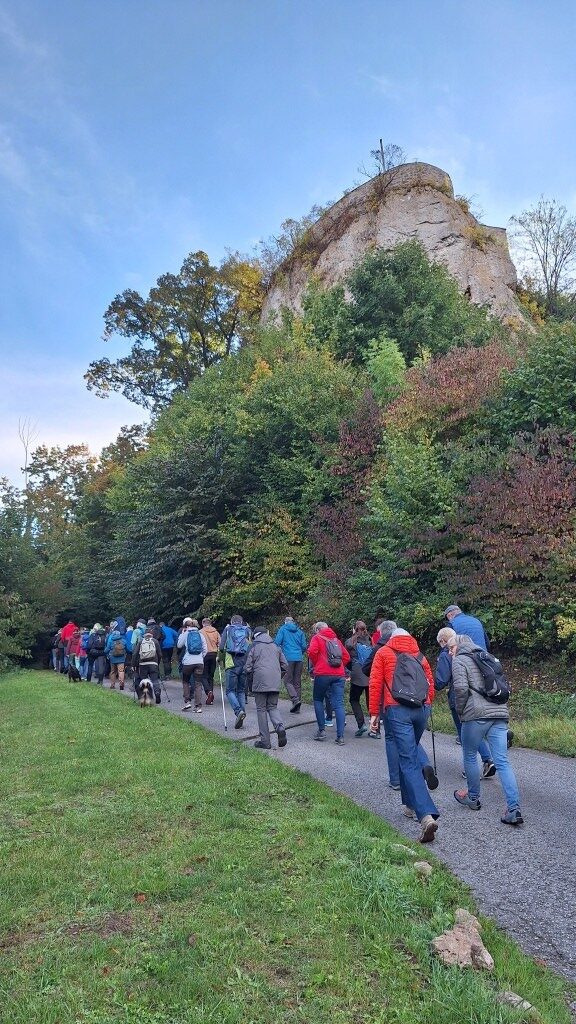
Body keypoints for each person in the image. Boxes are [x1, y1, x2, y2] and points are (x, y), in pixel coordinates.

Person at [369, 624, 439, 843]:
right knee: (408, 752)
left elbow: (375, 683)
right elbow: (430, 684)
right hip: (421, 709)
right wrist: (427, 705)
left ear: (391, 637)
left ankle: (425, 816)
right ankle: (409, 804)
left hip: (397, 709)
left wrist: (374, 713)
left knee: (408, 761)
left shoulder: (383, 652)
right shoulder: (419, 655)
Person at [449, 634, 523, 826]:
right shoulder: (487, 657)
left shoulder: (460, 660)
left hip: (476, 714)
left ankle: (473, 798)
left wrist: (461, 712)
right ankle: (513, 809)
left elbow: (460, 689)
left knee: (470, 755)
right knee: (502, 761)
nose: (449, 652)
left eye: (450, 648)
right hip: (499, 713)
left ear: (459, 646)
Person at [436, 627, 496, 778]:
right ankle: (487, 759)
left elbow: (442, 679)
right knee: (475, 732)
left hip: (459, 697)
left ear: (443, 641)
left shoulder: (446, 655)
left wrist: (431, 685)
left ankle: (471, 768)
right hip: (477, 697)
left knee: (464, 734)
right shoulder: (472, 652)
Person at [245, 626, 288, 749]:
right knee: (273, 707)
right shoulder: (276, 646)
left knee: (261, 710)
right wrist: (277, 676)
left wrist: (252, 679)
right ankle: (280, 727)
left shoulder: (254, 646)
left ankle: (265, 741)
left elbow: (247, 668)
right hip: (274, 681)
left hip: (260, 681)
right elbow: (285, 665)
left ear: (255, 635)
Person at [307, 622, 350, 745]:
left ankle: (321, 731)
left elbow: (311, 652)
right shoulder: (336, 640)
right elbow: (346, 657)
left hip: (322, 674)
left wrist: (318, 664)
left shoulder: (317, 638)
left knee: (318, 699)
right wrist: (338, 666)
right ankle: (340, 737)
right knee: (339, 704)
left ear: (318, 630)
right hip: (339, 675)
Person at [219, 615, 252, 729]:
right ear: (242, 622)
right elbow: (250, 646)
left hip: (231, 663)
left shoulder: (228, 629)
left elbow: (221, 647)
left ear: (232, 621)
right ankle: (241, 713)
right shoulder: (248, 630)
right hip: (244, 663)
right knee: (241, 691)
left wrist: (220, 658)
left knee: (230, 691)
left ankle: (238, 712)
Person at [274, 616, 307, 713]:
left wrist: (281, 653)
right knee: (297, 682)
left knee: (287, 681)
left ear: (285, 622)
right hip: (299, 658)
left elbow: (277, 643)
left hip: (288, 658)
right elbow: (304, 646)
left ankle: (295, 700)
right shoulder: (299, 631)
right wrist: (299, 653)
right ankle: (297, 708)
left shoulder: (283, 629)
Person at [345, 621, 373, 737]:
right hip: (370, 673)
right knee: (371, 702)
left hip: (357, 673)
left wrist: (350, 670)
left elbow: (346, 659)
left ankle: (361, 725)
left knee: (354, 699)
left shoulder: (350, 642)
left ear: (354, 629)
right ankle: (375, 730)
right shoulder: (370, 640)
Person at [177, 617, 208, 712]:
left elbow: (179, 645)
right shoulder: (200, 634)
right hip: (199, 662)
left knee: (186, 681)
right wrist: (200, 657)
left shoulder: (186, 634)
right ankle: (198, 707)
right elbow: (205, 649)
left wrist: (182, 634)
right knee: (198, 683)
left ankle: (187, 702)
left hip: (188, 662)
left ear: (186, 626)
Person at [132, 627, 162, 705]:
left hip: (143, 665)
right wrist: (157, 663)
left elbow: (135, 654)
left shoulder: (141, 642)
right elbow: (160, 654)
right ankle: (157, 692)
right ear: (152, 634)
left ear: (144, 635)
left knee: (144, 680)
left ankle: (147, 697)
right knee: (154, 680)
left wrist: (134, 664)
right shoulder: (155, 641)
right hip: (153, 664)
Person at [200, 618, 220, 704]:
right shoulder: (216, 632)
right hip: (214, 654)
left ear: (203, 623)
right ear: (210, 623)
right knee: (211, 676)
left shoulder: (201, 632)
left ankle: (208, 692)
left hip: (205, 655)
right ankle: (210, 699)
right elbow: (220, 643)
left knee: (203, 675)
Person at [105, 626, 127, 690]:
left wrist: (106, 654)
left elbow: (107, 650)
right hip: (121, 659)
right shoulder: (123, 641)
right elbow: (127, 649)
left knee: (113, 672)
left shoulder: (111, 641)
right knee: (121, 671)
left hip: (113, 659)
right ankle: (121, 685)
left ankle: (112, 685)